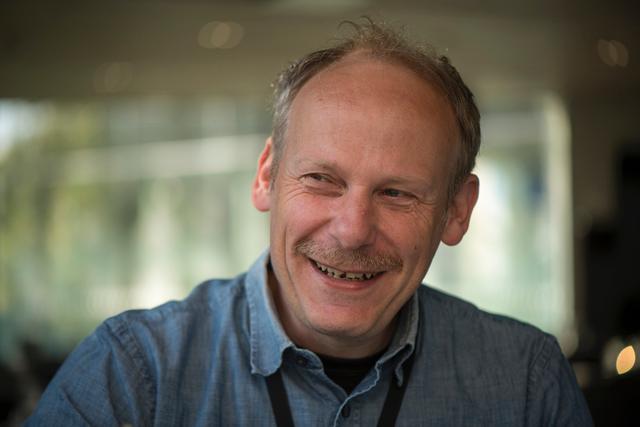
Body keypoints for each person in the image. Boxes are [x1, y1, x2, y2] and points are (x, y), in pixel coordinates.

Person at [27, 20, 592, 426]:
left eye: (396, 193)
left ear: (456, 211)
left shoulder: (526, 384)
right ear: (266, 176)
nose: (352, 230)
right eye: (322, 179)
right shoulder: (133, 376)